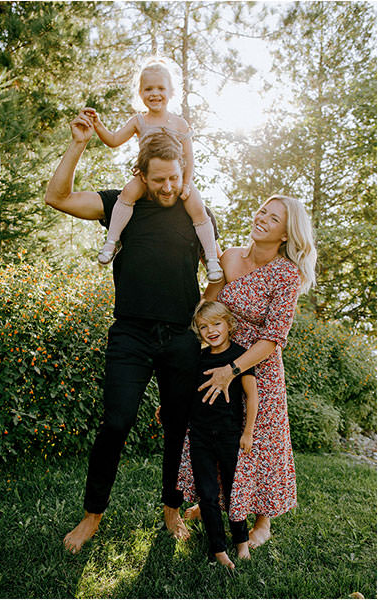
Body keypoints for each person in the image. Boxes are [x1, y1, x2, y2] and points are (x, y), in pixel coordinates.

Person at [44, 109, 220, 554]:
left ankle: (171, 510)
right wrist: (80, 142)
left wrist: (200, 316)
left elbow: (217, 275)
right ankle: (92, 517)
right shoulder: (123, 206)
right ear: (141, 174)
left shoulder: (197, 214)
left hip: (180, 338)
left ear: (184, 173)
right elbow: (58, 198)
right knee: (116, 422)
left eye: (174, 179)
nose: (167, 188)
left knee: (178, 426)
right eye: (158, 179)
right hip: (131, 336)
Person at [178, 194, 317, 549]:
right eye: (262, 212)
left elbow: (273, 338)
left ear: (285, 235)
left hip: (259, 366)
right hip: (219, 359)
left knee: (259, 442)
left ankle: (262, 519)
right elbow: (208, 307)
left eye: (273, 219)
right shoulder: (229, 257)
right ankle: (216, 501)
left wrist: (232, 370)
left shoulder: (287, 274)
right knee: (216, 431)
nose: (262, 219)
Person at [83, 57, 223, 283]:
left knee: (198, 207)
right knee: (127, 193)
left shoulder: (179, 123)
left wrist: (186, 184)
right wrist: (98, 124)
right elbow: (114, 139)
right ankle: (111, 241)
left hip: (177, 180)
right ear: (140, 93)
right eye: (148, 89)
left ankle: (212, 260)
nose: (154, 93)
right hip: (148, 178)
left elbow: (189, 157)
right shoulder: (139, 121)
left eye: (160, 88)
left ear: (171, 92)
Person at [182, 300, 258, 569]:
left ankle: (241, 542)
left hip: (230, 436)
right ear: (198, 330)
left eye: (216, 324)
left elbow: (252, 397)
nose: (211, 330)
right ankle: (218, 548)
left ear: (229, 324)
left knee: (233, 490)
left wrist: (247, 433)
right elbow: (188, 393)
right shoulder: (199, 359)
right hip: (200, 436)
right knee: (208, 493)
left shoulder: (240, 357)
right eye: (204, 326)